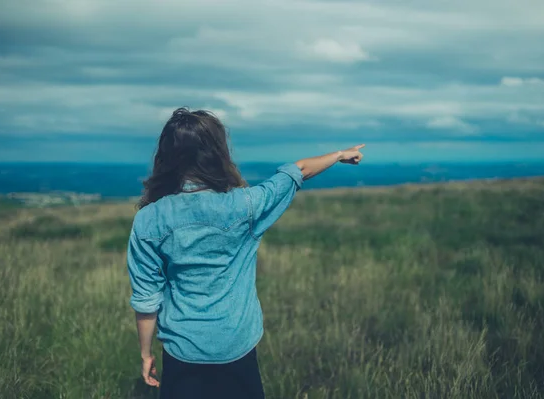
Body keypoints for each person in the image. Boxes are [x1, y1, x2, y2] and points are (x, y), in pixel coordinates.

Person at [126, 107, 365, 399]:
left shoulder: (149, 220)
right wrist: (339, 155)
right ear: (217, 152)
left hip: (182, 350)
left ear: (167, 155)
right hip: (237, 345)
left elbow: (147, 298)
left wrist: (145, 353)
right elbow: (297, 171)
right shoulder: (247, 205)